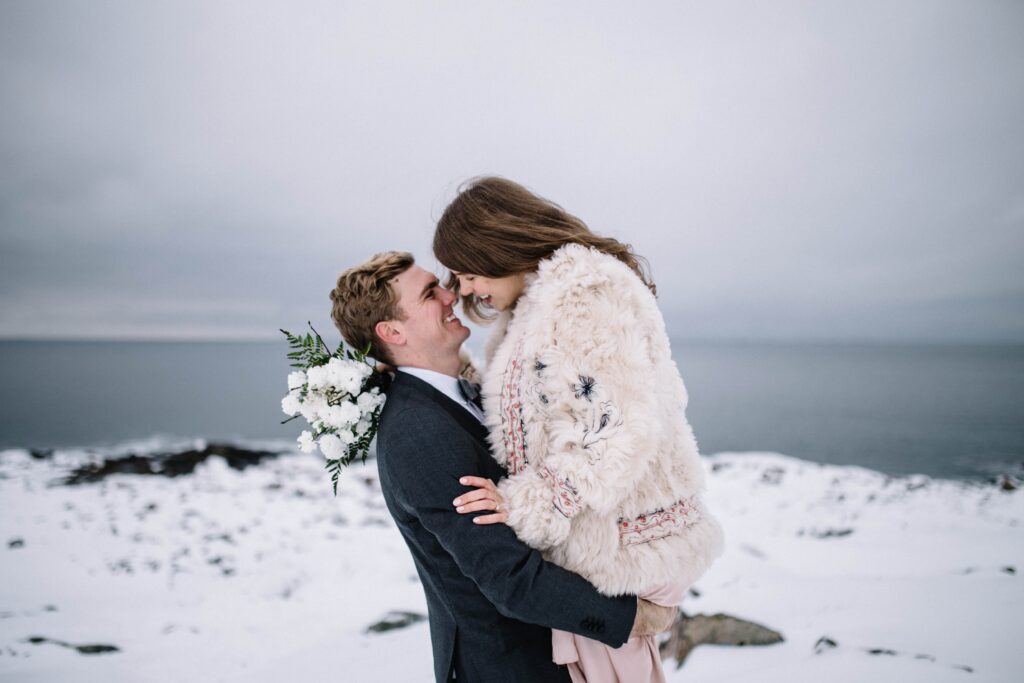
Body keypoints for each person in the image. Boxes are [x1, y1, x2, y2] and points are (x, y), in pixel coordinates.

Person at [328, 251, 677, 683]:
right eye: (429, 293)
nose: (450, 295)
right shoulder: (419, 433)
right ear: (392, 331)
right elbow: (509, 578)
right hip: (510, 665)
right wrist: (632, 618)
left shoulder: (465, 391)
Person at [433, 177, 725, 683]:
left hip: (624, 555)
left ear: (493, 244)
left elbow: (616, 430)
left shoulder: (581, 294)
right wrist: (442, 372)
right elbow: (539, 406)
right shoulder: (538, 300)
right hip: (605, 548)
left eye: (465, 273)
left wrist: (523, 504)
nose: (463, 291)